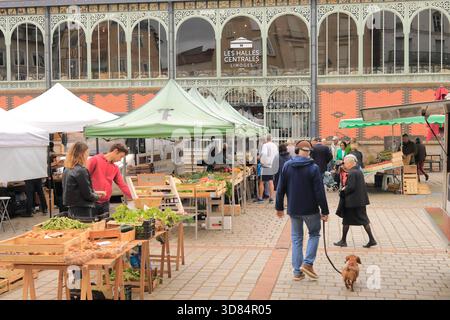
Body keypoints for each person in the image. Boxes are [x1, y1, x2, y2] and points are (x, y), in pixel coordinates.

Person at [275, 140, 329, 281]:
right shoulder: (314, 168)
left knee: (297, 238)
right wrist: (325, 210)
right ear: (309, 152)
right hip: (311, 209)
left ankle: (297, 272)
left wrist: (279, 207)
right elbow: (319, 192)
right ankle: (308, 263)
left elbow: (280, 189)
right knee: (314, 234)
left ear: (297, 151)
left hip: (294, 209)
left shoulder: (287, 166)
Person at [334, 155, 377, 248]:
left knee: (348, 221)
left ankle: (344, 241)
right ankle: (344, 240)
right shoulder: (358, 171)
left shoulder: (352, 172)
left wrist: (343, 191)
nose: (344, 165)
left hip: (352, 202)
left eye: (345, 163)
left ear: (350, 163)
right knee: (360, 220)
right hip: (359, 200)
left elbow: (351, 187)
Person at [63, 142, 106, 220]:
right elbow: (87, 194)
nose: (87, 156)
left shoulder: (67, 169)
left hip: (72, 208)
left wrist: (96, 192)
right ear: (82, 154)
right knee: (84, 230)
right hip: (82, 209)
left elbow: (75, 189)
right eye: (87, 153)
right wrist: (97, 197)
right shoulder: (81, 170)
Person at [87, 143, 133, 216]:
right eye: (120, 156)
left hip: (105, 203)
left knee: (105, 225)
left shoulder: (115, 168)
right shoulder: (95, 160)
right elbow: (83, 178)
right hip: (92, 202)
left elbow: (122, 185)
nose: (120, 159)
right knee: (91, 226)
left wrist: (134, 197)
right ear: (115, 151)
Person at [258, 135, 278, 203]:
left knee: (262, 182)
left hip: (265, 165)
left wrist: (260, 158)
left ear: (266, 139)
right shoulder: (275, 146)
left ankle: (260, 198)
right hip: (272, 165)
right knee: (271, 181)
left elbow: (264, 153)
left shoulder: (265, 145)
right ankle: (271, 198)